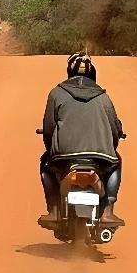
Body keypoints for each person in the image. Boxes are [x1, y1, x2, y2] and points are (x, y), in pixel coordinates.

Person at [38, 52, 126, 228]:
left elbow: (48, 129)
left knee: (44, 165)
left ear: (69, 72)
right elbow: (115, 130)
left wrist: (51, 151)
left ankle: (54, 210)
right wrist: (111, 145)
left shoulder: (56, 94)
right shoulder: (103, 97)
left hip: (64, 158)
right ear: (93, 73)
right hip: (100, 157)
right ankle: (108, 211)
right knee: (117, 162)